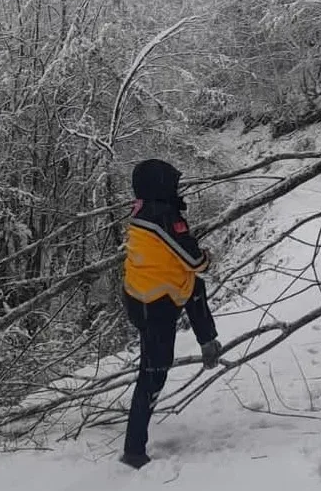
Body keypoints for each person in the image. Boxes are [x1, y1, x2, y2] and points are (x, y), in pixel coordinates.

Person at [120, 159, 223, 470]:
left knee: (195, 289)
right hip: (154, 303)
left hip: (144, 293)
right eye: (172, 183)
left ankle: (208, 341)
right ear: (161, 186)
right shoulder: (162, 216)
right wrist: (206, 256)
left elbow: (179, 261)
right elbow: (193, 260)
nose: (177, 188)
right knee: (153, 374)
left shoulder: (144, 209)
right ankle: (134, 451)